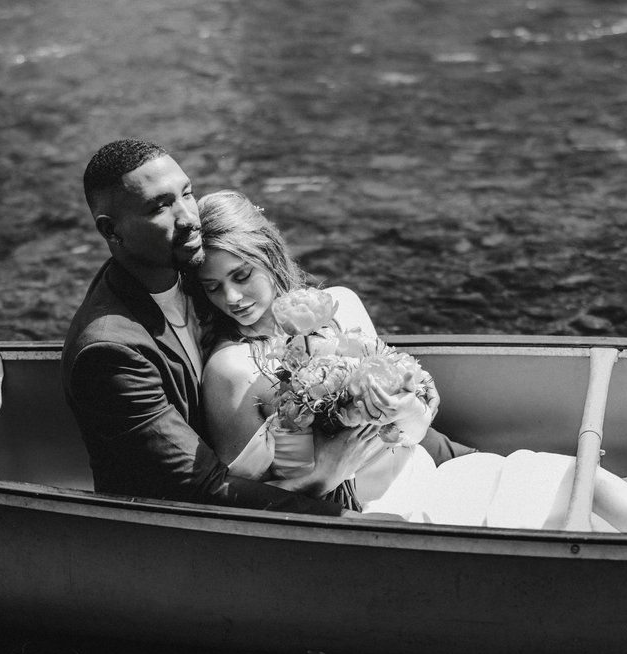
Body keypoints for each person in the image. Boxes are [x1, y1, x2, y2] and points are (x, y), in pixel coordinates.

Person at [192, 190, 627, 533]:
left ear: (270, 255)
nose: (233, 298)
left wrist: (403, 413)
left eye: (241, 275)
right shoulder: (234, 372)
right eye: (213, 287)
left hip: (417, 469)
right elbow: (258, 502)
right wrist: (330, 470)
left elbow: (412, 430)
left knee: (563, 474)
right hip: (360, 515)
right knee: (556, 488)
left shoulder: (341, 307)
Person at [62, 138, 389, 518]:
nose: (188, 217)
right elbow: (203, 488)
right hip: (185, 529)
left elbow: (293, 444)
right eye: (159, 207)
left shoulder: (195, 273)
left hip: (316, 484)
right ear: (111, 230)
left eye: (187, 193)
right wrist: (331, 488)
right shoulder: (109, 352)